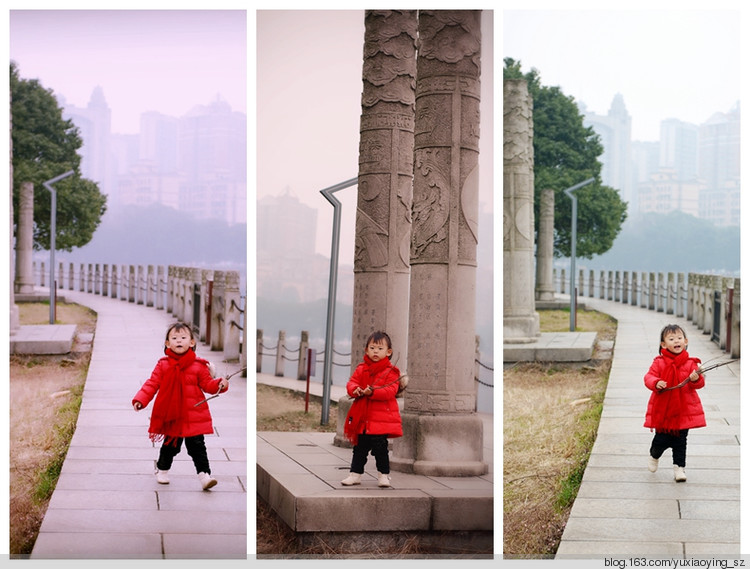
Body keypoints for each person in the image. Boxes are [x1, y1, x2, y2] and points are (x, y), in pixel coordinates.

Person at [132, 322, 228, 490]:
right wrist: (141, 399)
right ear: (167, 343)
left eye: (183, 338)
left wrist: (220, 384)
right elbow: (152, 383)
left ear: (191, 342)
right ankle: (162, 470)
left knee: (197, 447)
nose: (179, 341)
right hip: (172, 414)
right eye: (174, 338)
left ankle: (205, 475)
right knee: (170, 446)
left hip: (193, 414)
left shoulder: (199, 366)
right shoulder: (163, 364)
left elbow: (207, 385)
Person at [643, 324, 705, 482]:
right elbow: (648, 377)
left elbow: (698, 384)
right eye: (671, 339)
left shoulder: (691, 363)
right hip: (664, 410)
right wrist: (656, 382)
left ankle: (679, 468)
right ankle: (654, 455)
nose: (676, 341)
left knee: (680, 441)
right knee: (661, 440)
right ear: (663, 344)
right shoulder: (659, 362)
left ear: (685, 341)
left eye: (679, 338)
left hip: (683, 410)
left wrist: (696, 378)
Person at [341, 331, 403, 488]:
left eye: (380, 348)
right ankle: (355, 474)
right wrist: (354, 389)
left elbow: (390, 391)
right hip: (363, 418)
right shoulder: (362, 368)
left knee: (381, 449)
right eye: (372, 347)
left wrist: (373, 391)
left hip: (380, 419)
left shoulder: (391, 371)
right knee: (359, 449)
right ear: (366, 350)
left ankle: (384, 475)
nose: (376, 351)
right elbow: (352, 382)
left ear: (388, 352)